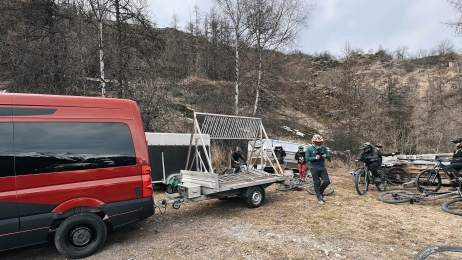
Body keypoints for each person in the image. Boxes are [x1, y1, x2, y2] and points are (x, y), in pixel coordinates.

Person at [305, 134, 331, 205]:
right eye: (317, 142)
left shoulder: (324, 148)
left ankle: (320, 193)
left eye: (320, 142)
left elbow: (329, 156)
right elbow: (307, 158)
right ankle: (319, 197)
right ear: (314, 142)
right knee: (317, 182)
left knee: (327, 181)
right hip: (314, 167)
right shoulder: (309, 149)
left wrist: (326, 156)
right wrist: (314, 158)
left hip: (322, 167)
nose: (319, 144)